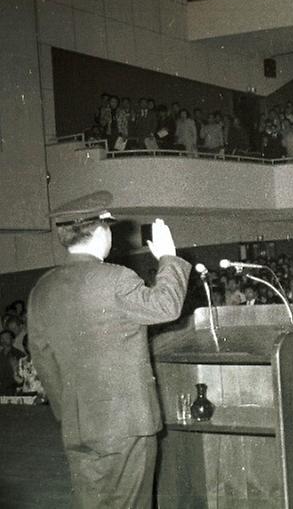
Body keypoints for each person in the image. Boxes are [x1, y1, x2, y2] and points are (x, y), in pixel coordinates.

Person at [27, 191, 191, 508]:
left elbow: (43, 362)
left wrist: (72, 413)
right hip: (126, 426)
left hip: (79, 426)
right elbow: (167, 306)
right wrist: (169, 258)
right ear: (101, 230)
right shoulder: (115, 279)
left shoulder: (41, 289)